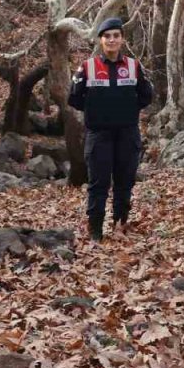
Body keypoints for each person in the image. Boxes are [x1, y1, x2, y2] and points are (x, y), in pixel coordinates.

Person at [68, 17, 154, 241]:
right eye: (107, 36)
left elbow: (146, 96)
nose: (112, 39)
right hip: (99, 135)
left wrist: (125, 110)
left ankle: (120, 225)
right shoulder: (88, 67)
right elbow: (75, 98)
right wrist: (98, 112)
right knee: (98, 184)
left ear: (122, 39)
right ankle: (95, 231)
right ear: (100, 40)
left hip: (127, 133)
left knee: (124, 182)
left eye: (116, 35)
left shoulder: (134, 67)